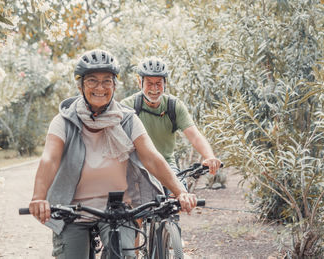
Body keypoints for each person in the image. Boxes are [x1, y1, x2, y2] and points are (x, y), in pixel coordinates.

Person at [28, 49, 198, 258]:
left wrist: (180, 192)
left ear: (115, 85)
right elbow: (50, 159)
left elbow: (152, 158)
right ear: (80, 85)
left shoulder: (127, 119)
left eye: (107, 81)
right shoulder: (64, 120)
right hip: (73, 211)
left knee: (125, 254)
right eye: (92, 81)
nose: (100, 87)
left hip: (118, 210)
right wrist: (38, 197)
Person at [120, 57, 223, 181]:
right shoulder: (128, 106)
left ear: (165, 83)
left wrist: (210, 157)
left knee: (181, 195)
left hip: (167, 166)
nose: (154, 88)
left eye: (159, 83)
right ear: (139, 82)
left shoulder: (173, 106)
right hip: (137, 168)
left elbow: (195, 136)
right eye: (149, 83)